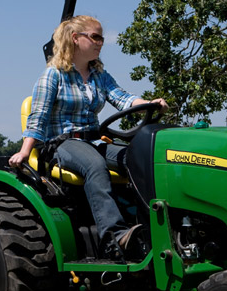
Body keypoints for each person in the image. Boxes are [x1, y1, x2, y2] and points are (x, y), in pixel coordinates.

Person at [9, 15, 168, 261]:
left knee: (139, 157)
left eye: (102, 37)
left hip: (95, 140)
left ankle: (152, 227)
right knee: (94, 164)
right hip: (61, 144)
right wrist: (25, 151)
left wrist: (149, 103)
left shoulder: (99, 76)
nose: (101, 42)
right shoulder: (53, 75)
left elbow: (123, 98)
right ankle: (114, 238)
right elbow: (37, 117)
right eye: (95, 36)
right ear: (75, 38)